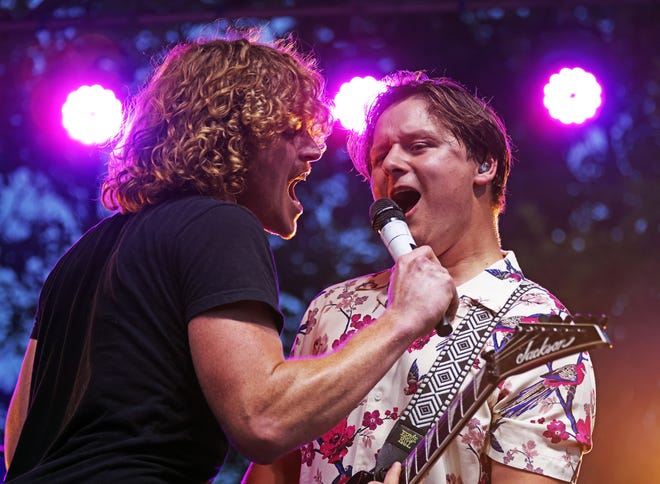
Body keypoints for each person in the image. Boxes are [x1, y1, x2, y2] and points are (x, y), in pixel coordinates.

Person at [2, 37, 457, 483]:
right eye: (292, 129)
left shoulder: (79, 257)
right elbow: (263, 419)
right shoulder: (218, 224)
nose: (314, 149)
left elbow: (19, 434)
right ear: (241, 135)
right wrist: (403, 318)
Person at [245, 71, 596, 483]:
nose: (391, 164)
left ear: (483, 164)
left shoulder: (542, 333)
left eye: (418, 146)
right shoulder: (334, 308)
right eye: (379, 157)